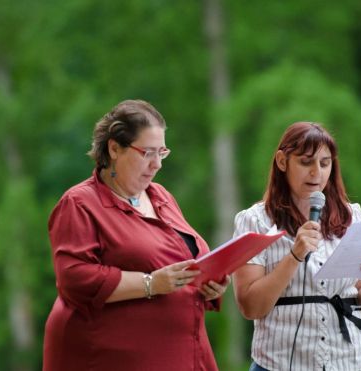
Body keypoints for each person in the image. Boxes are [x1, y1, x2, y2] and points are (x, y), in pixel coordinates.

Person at [42, 99, 229, 371]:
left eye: (161, 153)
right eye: (147, 153)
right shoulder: (80, 203)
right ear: (114, 148)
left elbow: (188, 257)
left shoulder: (161, 196)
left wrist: (211, 281)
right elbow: (74, 278)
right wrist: (151, 283)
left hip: (184, 352)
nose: (157, 165)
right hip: (110, 358)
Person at [232, 122, 361, 371]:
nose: (316, 172)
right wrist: (294, 255)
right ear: (282, 162)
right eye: (306, 162)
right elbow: (250, 306)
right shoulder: (255, 220)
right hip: (281, 363)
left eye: (325, 163)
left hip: (349, 361)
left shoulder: (352, 217)